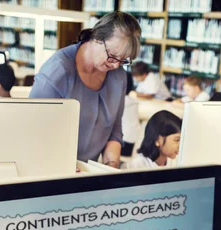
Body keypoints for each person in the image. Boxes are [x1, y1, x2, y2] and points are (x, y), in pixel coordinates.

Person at [29, 12, 141, 168]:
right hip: (50, 167)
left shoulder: (118, 76)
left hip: (88, 171)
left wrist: (111, 166)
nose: (115, 65)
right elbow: (33, 129)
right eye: (113, 56)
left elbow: (114, 130)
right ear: (96, 38)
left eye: (123, 60)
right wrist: (63, 165)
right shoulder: (57, 71)